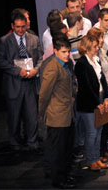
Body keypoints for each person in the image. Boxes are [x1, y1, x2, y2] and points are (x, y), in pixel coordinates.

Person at [0, 9, 44, 152]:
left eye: (23, 26)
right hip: (13, 83)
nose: (21, 30)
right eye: (17, 27)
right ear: (12, 26)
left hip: (30, 83)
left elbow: (41, 58)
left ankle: (32, 143)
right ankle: (15, 144)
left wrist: (36, 69)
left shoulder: (33, 39)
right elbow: (0, 61)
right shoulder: (4, 41)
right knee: (14, 116)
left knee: (31, 116)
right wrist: (18, 71)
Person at [38, 37, 77, 189]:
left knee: (66, 148)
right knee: (58, 149)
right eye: (63, 52)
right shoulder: (53, 67)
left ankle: (65, 174)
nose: (67, 55)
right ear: (55, 51)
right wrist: (41, 113)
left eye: (68, 52)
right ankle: (58, 179)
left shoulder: (65, 65)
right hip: (57, 115)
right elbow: (44, 93)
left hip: (67, 113)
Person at [74, 35, 108, 171]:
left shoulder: (96, 60)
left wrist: (106, 98)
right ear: (87, 47)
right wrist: (97, 103)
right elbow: (86, 87)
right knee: (91, 132)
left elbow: (103, 81)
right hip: (89, 103)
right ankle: (91, 160)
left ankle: (96, 158)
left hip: (100, 98)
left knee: (99, 130)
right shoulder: (81, 64)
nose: (97, 48)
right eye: (95, 46)